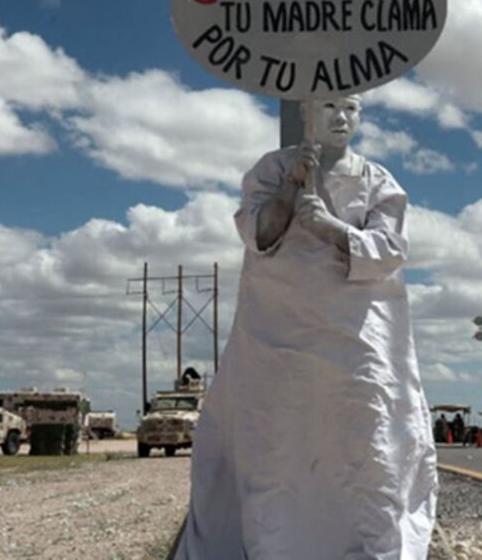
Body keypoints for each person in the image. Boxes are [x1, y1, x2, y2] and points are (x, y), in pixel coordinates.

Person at [175, 95, 437, 559]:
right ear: (305, 112)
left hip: (356, 335)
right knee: (276, 438)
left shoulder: (377, 179)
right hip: (278, 331)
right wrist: (290, 191)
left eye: (352, 108)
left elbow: (391, 249)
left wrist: (332, 229)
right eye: (331, 105)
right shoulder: (272, 169)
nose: (342, 117)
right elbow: (259, 235)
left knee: (366, 437)